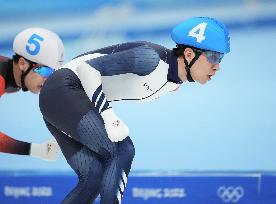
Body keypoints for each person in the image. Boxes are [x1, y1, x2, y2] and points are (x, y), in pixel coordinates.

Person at [39, 16, 230, 203]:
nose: (217, 66)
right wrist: (108, 115)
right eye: (213, 57)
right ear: (188, 54)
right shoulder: (150, 58)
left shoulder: (174, 81)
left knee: (93, 177)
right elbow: (87, 69)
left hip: (61, 100)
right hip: (63, 88)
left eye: (221, 58)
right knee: (122, 150)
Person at [0, 28, 64, 161]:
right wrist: (37, 150)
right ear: (22, 64)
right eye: (44, 70)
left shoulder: (12, 82)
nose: (48, 79)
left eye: (52, 73)